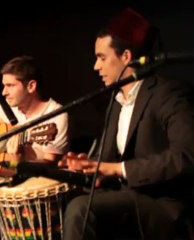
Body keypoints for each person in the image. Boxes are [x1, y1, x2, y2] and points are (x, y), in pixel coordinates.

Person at [59, 8, 194, 240]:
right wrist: (90, 165)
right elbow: (108, 161)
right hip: (125, 198)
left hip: (162, 204)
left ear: (126, 57)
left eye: (101, 57)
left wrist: (117, 169)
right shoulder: (116, 101)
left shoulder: (169, 93)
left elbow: (186, 156)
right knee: (72, 202)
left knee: (82, 210)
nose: (95, 67)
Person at [0, 55, 69, 239]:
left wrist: (19, 161)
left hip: (36, 177)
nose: (3, 92)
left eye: (10, 86)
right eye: (4, 85)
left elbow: (51, 163)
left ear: (31, 86)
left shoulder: (55, 114)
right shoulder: (5, 108)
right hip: (4, 171)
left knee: (10, 190)